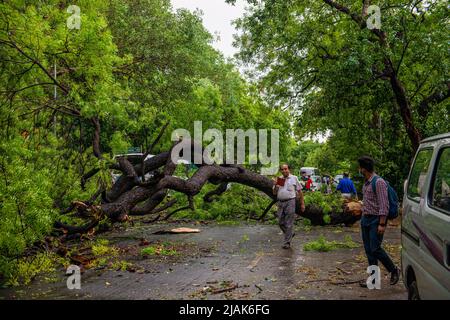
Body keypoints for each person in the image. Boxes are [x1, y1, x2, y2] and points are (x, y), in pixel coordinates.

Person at [357, 156, 400, 287]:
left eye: (359, 167)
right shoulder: (367, 183)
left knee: (375, 249)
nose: (358, 170)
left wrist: (382, 224)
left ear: (364, 169)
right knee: (369, 251)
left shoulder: (378, 182)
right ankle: (374, 280)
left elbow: (384, 205)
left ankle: (394, 270)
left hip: (376, 220)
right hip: (366, 219)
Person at [273, 164, 305, 249]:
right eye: (282, 169)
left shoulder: (294, 178)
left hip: (290, 202)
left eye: (285, 169)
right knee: (280, 222)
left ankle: (287, 243)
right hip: (280, 202)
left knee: (289, 222)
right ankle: (290, 233)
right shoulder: (279, 179)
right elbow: (275, 193)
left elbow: (300, 192)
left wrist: (302, 204)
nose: (284, 171)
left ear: (289, 169)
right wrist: (276, 185)